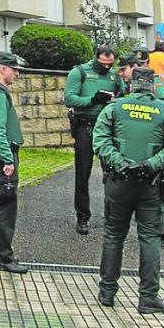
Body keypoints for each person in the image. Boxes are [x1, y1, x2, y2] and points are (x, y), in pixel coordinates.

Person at [92, 67, 164, 313]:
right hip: (151, 184)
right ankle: (148, 297)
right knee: (150, 238)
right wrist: (149, 165)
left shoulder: (113, 109)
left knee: (113, 235)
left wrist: (121, 164)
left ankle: (107, 292)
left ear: (131, 85)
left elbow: (99, 141)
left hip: (119, 182)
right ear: (153, 86)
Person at [63, 46, 123, 235]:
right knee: (82, 174)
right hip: (85, 125)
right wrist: (93, 100)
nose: (106, 67)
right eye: (102, 63)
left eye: (109, 63)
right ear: (96, 58)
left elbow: (123, 95)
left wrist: (115, 98)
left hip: (106, 127)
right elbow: (69, 99)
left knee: (112, 173)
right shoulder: (79, 72)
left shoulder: (114, 76)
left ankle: (111, 215)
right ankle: (82, 217)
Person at [0, 51, 30, 273]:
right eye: (14, 69)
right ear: (3, 69)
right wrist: (7, 158)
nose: (17, 73)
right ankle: (4, 258)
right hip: (3, 156)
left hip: (0, 154)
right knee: (6, 207)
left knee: (1, 204)